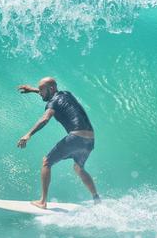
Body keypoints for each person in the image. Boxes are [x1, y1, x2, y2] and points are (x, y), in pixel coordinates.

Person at [16, 77, 100, 209]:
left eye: (42, 89)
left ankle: (42, 202)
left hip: (76, 137)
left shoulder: (53, 103)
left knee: (46, 162)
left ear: (51, 89)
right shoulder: (66, 94)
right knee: (78, 168)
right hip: (89, 140)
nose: (40, 92)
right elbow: (47, 92)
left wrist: (28, 134)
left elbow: (45, 118)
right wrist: (32, 90)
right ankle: (96, 198)